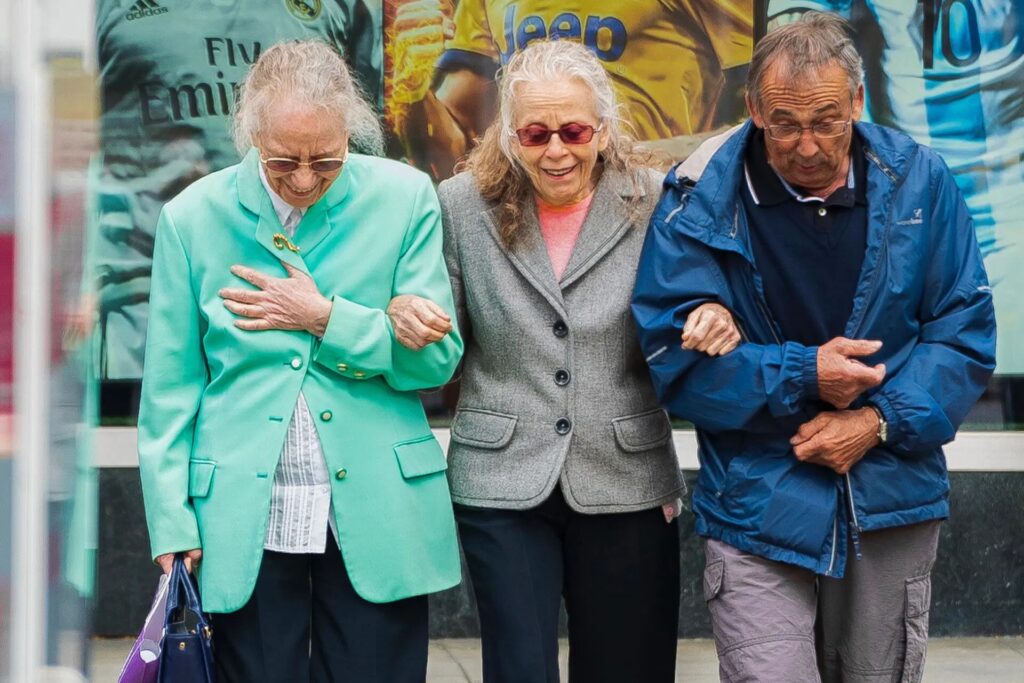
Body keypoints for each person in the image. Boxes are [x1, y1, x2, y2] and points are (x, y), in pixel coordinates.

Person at [632, 13, 996, 683]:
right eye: (786, 123)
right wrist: (804, 373)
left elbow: (962, 333)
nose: (806, 145)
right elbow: (675, 365)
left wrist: (876, 421)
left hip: (888, 492)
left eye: (827, 120)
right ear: (754, 108)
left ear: (858, 101)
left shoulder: (918, 181)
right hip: (758, 498)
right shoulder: (701, 195)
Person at [399, 39, 740, 682]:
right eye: (534, 133)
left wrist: (716, 314)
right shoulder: (459, 206)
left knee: (626, 668)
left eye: (574, 130)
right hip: (501, 476)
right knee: (519, 669)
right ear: (508, 137)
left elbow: (700, 296)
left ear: (603, 128)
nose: (556, 150)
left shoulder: (658, 201)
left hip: (626, 474)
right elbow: (442, 347)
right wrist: (408, 318)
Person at [136, 40, 463, 683]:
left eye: (328, 160)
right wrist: (171, 520)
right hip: (239, 508)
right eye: (283, 160)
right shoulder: (192, 218)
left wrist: (324, 318)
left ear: (352, 133)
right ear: (250, 135)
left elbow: (435, 365)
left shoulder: (404, 198)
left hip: (377, 500)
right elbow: (172, 389)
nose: (306, 179)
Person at [94, 0, 382, 380]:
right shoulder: (100, 10)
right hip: (138, 303)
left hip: (301, 298)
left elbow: (362, 151)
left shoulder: (344, 8)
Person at [389, 0, 754, 180]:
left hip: (650, 208)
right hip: (531, 214)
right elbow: (449, 155)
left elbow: (762, 117)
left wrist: (640, 159)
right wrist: (413, 91)